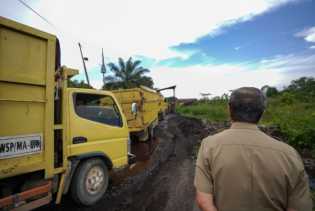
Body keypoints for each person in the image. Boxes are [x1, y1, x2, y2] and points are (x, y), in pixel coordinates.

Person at [194, 87, 312, 211]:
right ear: (262, 112)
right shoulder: (290, 154)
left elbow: (204, 201)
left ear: (229, 109)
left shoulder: (209, 145)